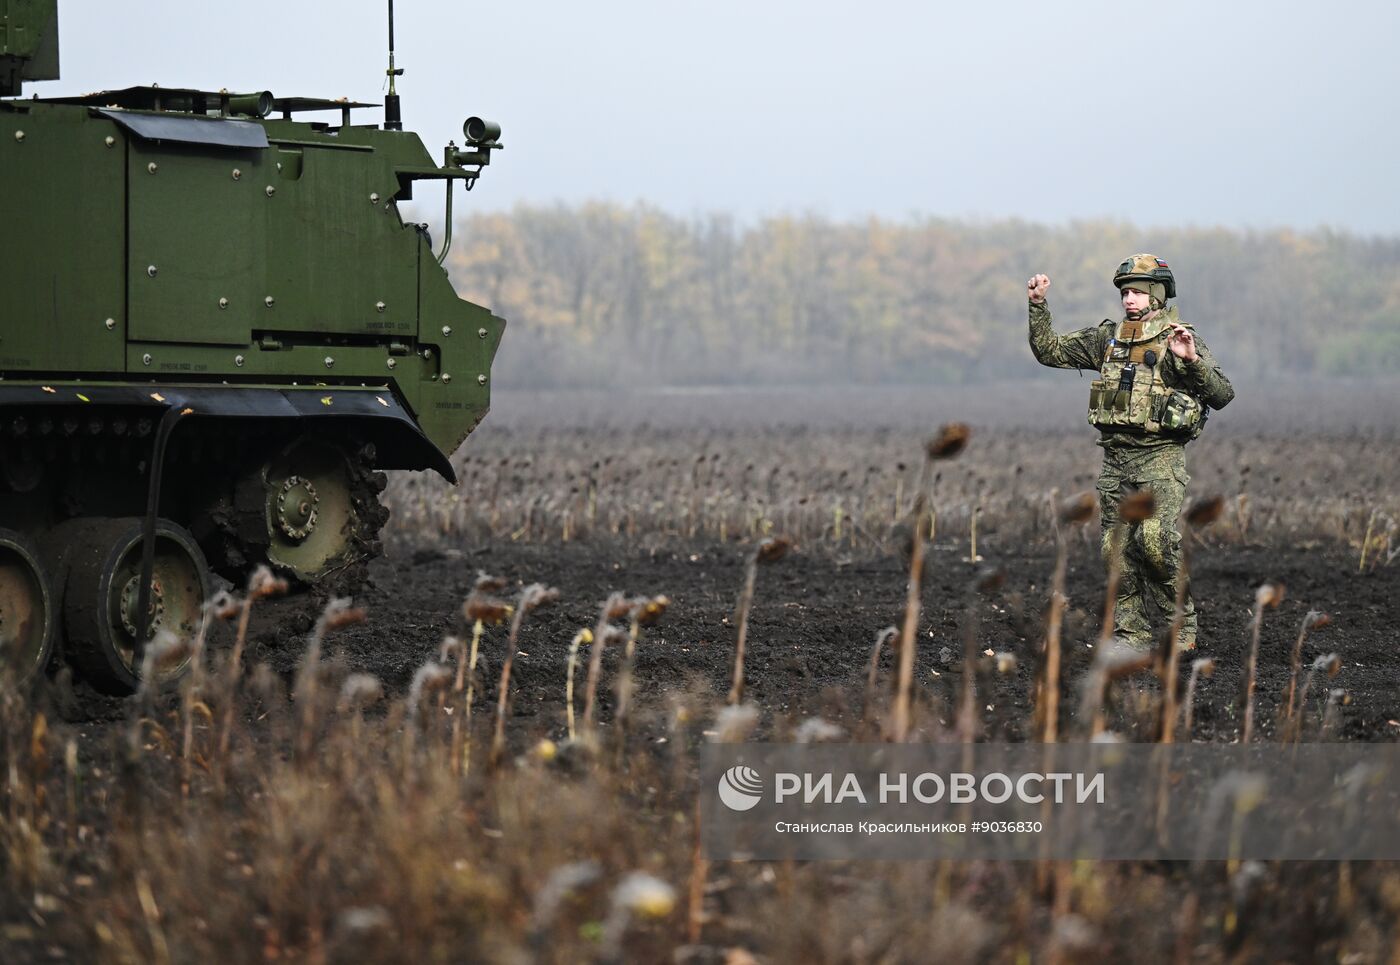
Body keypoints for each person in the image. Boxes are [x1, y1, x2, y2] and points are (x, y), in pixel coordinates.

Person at [1026, 254, 1234, 651]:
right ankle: (1131, 635)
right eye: (1125, 292)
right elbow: (1049, 350)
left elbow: (1222, 394)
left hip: (1159, 459)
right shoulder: (1108, 339)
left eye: (1137, 292)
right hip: (1116, 460)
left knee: (1155, 544)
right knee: (1115, 550)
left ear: (1157, 295)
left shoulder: (1178, 338)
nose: (1129, 299)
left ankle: (1182, 626)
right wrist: (1038, 305)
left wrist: (1191, 361)